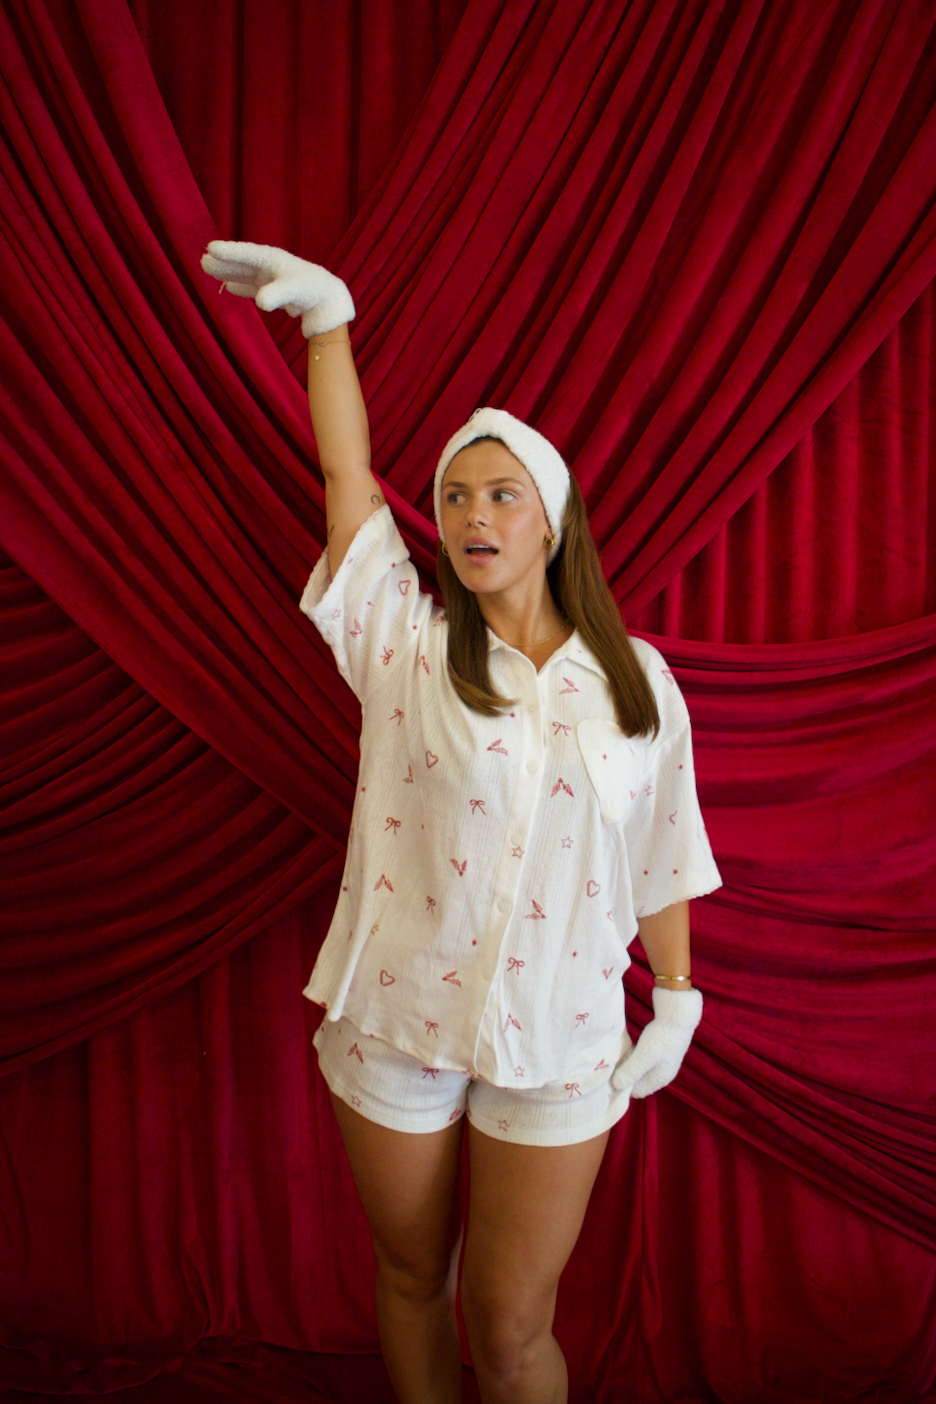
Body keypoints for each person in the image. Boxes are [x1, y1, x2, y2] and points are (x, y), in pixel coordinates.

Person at [201, 241, 722, 1404]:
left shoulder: (636, 680)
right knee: (410, 1276)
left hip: (565, 1036)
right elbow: (348, 479)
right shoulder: (408, 641)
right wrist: (328, 326)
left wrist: (678, 995)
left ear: (552, 519)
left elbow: (664, 848)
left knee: (514, 1322)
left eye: (501, 493)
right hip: (398, 1018)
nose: (473, 513)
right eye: (453, 495)